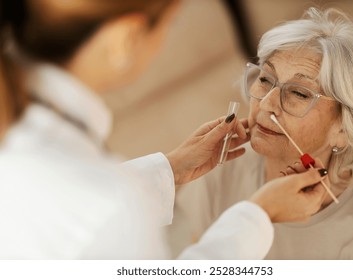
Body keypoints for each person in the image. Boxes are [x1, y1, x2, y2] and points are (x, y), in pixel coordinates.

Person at [0, 0, 328, 259]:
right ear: (124, 39)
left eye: (298, 93)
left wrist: (171, 169)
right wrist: (258, 215)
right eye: (169, 24)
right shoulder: (109, 205)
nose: (268, 103)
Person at [170, 7, 353, 259]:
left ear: (344, 129)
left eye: (299, 93)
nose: (266, 104)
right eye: (265, 79)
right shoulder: (223, 160)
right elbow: (202, 249)